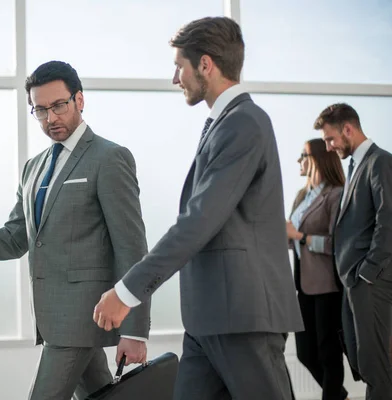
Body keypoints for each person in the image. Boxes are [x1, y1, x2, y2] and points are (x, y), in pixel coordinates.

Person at [92, 16, 304, 399]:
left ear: (205, 64)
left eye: (179, 66)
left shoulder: (245, 123)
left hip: (242, 317)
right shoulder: (224, 123)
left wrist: (127, 292)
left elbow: (198, 221)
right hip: (208, 319)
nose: (176, 78)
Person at [0, 61, 151, 400]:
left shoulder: (109, 158)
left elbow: (131, 247)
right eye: (40, 110)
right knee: (101, 393)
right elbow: (14, 240)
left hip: (82, 320)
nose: (51, 118)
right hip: (53, 318)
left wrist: (135, 331)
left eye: (59, 105)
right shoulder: (33, 168)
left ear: (80, 100)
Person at [315, 103, 392, 400]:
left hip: (370, 282)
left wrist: (368, 274)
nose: (329, 146)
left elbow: (388, 222)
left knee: (378, 370)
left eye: (330, 139)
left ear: (348, 129)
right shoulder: (355, 166)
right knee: (366, 364)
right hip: (355, 283)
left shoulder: (380, 162)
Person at [286, 138, 348, 400]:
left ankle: (334, 396)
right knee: (304, 352)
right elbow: (293, 238)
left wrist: (300, 237)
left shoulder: (336, 194)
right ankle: (339, 395)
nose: (299, 160)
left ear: (319, 159)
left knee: (328, 353)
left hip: (327, 286)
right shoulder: (303, 195)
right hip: (303, 284)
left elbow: (338, 243)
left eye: (303, 155)